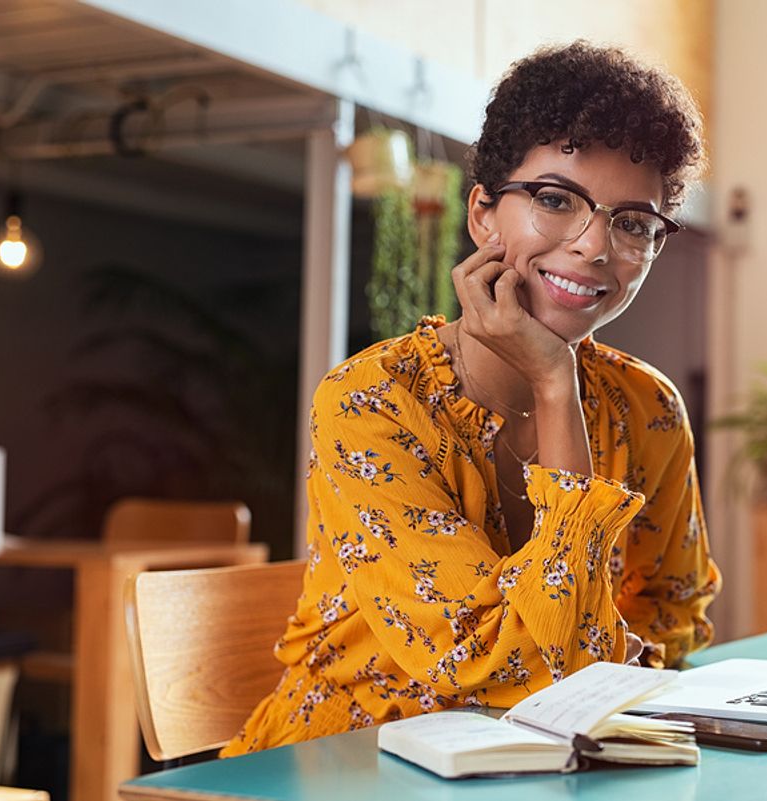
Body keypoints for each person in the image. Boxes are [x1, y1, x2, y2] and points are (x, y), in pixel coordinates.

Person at [222, 40, 720, 756]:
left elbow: (672, 609)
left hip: (542, 767)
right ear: (483, 213)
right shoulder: (370, 401)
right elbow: (492, 663)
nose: (593, 245)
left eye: (632, 221)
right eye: (555, 200)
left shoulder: (648, 407)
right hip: (347, 765)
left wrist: (595, 668)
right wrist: (554, 382)